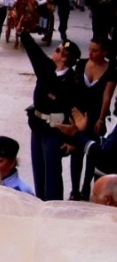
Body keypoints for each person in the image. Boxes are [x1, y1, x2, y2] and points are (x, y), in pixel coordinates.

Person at [19, 29, 85, 201]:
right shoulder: (47, 69)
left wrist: (71, 141)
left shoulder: (73, 81)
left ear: (64, 58)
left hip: (55, 131)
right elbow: (35, 53)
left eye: (58, 50)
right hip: (38, 126)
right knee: (39, 171)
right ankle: (39, 202)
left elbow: (77, 112)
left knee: (52, 175)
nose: (53, 52)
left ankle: (53, 206)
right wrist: (23, 33)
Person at [69, 37, 116, 200]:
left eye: (95, 50)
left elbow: (107, 97)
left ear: (104, 52)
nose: (90, 53)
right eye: (89, 49)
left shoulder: (111, 69)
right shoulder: (81, 64)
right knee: (76, 153)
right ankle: (74, 190)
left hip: (96, 116)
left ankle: (86, 188)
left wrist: (101, 119)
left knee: (93, 154)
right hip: (79, 115)